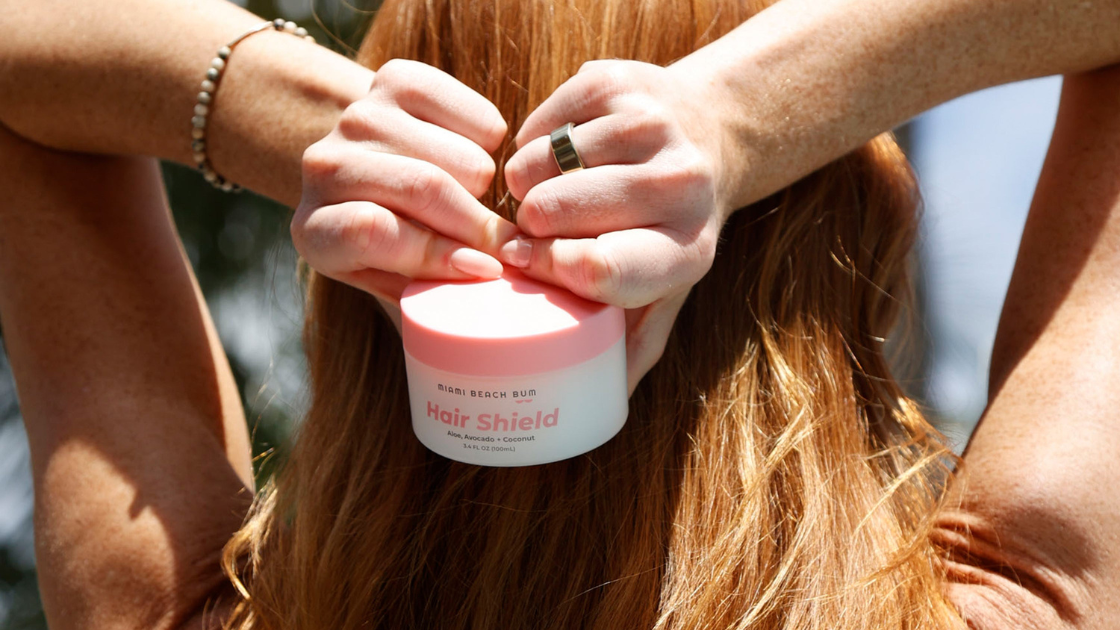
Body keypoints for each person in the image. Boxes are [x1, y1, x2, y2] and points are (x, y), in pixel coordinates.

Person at [0, 0, 1118, 629]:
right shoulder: (1023, 607)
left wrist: (302, 113)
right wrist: (744, 119)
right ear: (835, 246)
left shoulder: (169, 612)